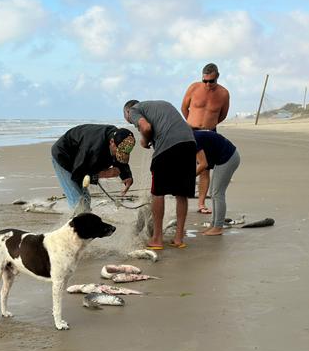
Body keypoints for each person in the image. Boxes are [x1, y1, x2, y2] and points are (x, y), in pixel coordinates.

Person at [123, 99, 198, 249]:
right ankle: (178, 239)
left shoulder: (134, 110)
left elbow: (146, 127)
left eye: (131, 122)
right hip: (189, 143)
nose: (133, 123)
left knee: (158, 192)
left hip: (168, 146)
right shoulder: (162, 105)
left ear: (127, 112)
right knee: (181, 194)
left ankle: (157, 238)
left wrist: (145, 140)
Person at [49, 124, 135, 213]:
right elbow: (78, 174)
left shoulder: (120, 137)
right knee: (79, 203)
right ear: (111, 142)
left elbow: (120, 159)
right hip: (64, 156)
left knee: (86, 199)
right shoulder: (92, 148)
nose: (119, 156)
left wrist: (126, 175)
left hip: (82, 159)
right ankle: (78, 223)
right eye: (117, 153)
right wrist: (104, 174)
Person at [193, 129, 241, 236]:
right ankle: (214, 224)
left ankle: (218, 227)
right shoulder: (189, 137)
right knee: (214, 193)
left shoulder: (192, 139)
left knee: (218, 193)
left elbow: (203, 164)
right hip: (222, 158)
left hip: (229, 158)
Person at [181, 63, 231, 131]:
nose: (208, 84)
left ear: (217, 76)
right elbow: (184, 108)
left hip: (210, 132)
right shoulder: (194, 88)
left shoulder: (224, 94)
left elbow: (223, 115)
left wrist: (211, 124)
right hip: (191, 130)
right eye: (205, 81)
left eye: (211, 81)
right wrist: (191, 123)